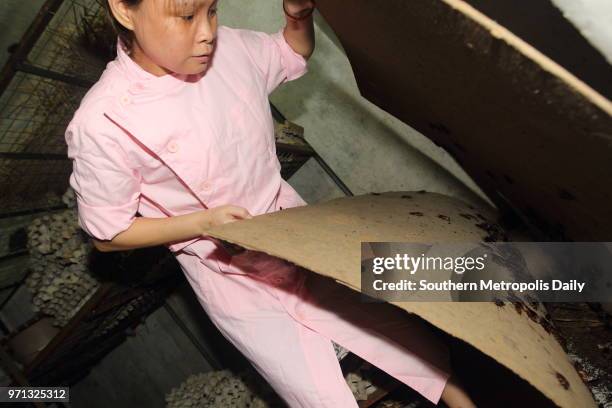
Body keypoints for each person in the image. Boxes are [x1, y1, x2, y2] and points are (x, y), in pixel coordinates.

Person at [65, 0, 476, 406]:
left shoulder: (228, 49)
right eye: (187, 16)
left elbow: (290, 51)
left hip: (295, 232)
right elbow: (109, 233)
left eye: (212, 10)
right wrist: (202, 223)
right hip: (230, 274)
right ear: (123, 10)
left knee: (404, 338)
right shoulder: (102, 124)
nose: (207, 31)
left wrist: (298, 16)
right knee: (318, 395)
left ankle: (463, 398)